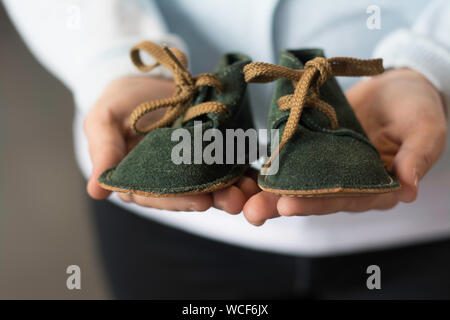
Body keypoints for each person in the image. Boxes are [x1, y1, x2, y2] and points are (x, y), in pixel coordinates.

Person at [4, 0, 449, 299]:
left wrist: (433, 61)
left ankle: (313, 99)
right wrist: (112, 58)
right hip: (174, 240)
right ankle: (220, 91)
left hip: (428, 226)